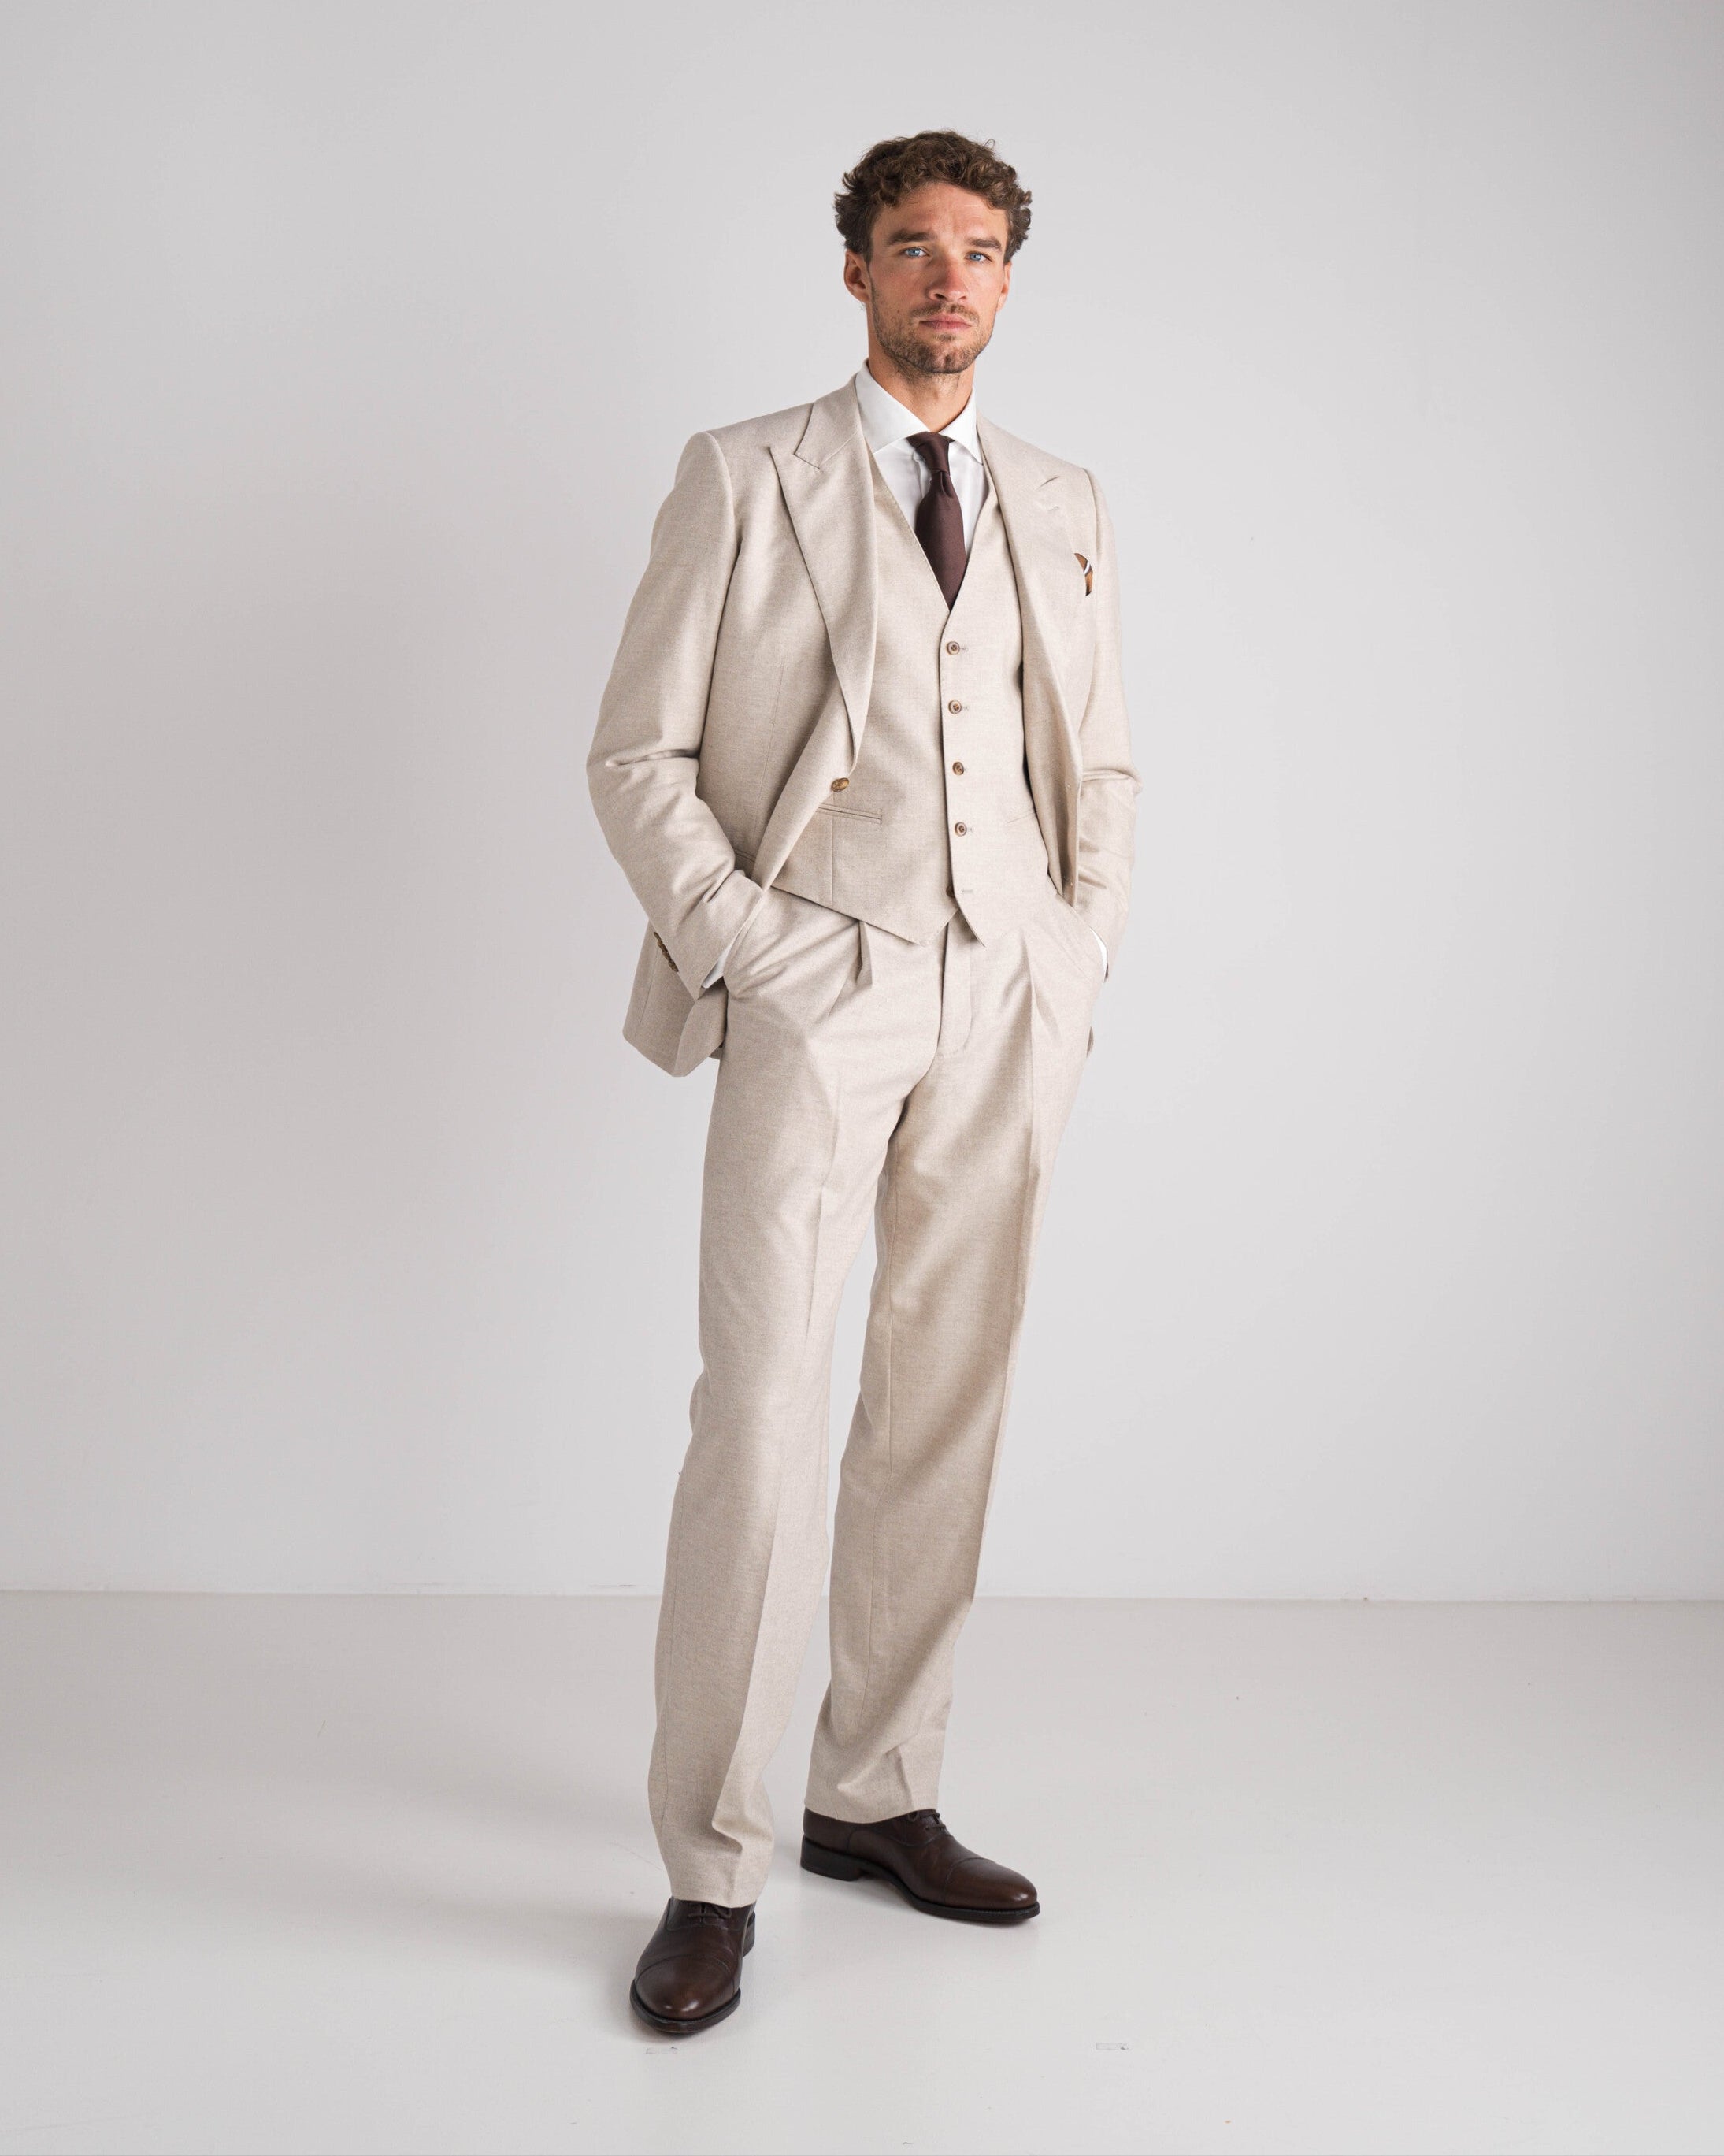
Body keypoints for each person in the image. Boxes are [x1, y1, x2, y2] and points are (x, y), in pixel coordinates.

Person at [588, 129, 1139, 2035]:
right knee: (761, 1406)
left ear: (1009, 276)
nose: (949, 280)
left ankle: (872, 1790)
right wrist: (759, 946)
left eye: (979, 250)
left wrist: (1074, 944)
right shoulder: (748, 475)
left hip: (1008, 993)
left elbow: (1105, 764)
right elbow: (637, 754)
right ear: (855, 271)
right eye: (913, 247)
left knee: (941, 1396)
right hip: (823, 985)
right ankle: (711, 1865)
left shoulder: (1060, 495)